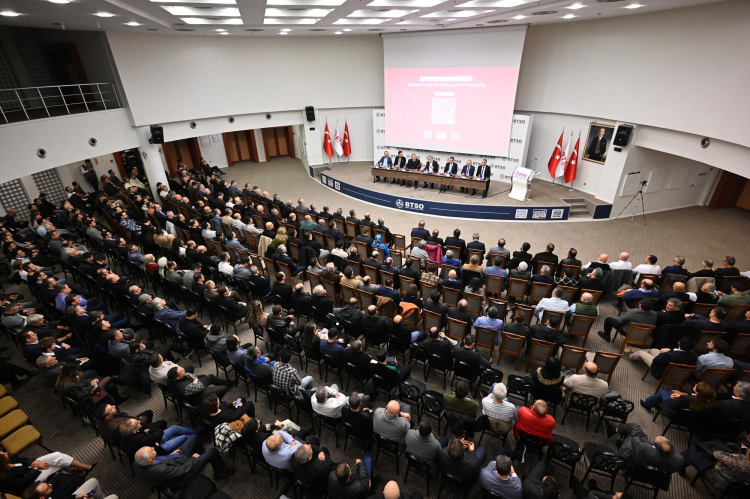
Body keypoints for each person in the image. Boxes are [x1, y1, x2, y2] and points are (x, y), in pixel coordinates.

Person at [132, 440, 234, 488]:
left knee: (194, 438)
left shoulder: (137, 463)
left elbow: (159, 460)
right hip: (184, 475)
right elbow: (182, 470)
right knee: (212, 452)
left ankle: (203, 457)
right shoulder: (160, 470)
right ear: (149, 459)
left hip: (173, 461)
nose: (153, 447)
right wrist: (194, 459)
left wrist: (169, 456)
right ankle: (220, 472)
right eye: (151, 449)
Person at [608, 422, 683, 478]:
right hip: (654, 477)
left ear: (656, 449)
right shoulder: (679, 460)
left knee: (633, 430)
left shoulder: (644, 449)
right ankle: (620, 439)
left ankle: (614, 430)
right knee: (639, 435)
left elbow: (635, 438)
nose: (654, 437)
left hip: (631, 466)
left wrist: (635, 428)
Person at [118, 418, 200, 458]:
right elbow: (160, 432)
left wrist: (148, 431)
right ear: (134, 431)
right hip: (158, 449)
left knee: (174, 428)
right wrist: (149, 431)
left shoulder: (124, 432)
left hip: (153, 440)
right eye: (137, 423)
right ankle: (197, 439)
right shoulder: (140, 440)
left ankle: (197, 431)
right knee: (183, 437)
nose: (139, 421)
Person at [630, 336, 698, 380]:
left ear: (679, 343)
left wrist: (664, 353)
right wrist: (670, 350)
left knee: (641, 353)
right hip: (677, 375)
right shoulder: (694, 355)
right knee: (653, 350)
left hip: (661, 371)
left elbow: (656, 360)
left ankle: (630, 355)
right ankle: (633, 349)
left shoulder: (669, 355)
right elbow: (679, 353)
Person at [639, 381, 717, 419]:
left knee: (663, 392)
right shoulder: (709, 403)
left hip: (674, 413)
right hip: (688, 419)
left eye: (697, 385)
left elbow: (671, 404)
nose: (695, 384)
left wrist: (676, 397)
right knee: (671, 392)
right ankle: (655, 403)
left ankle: (647, 404)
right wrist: (679, 396)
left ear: (698, 392)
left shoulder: (686, 398)